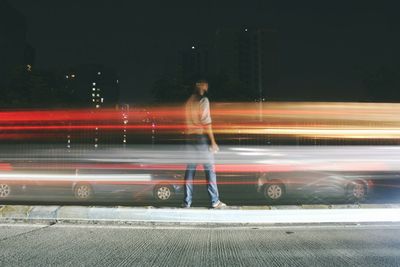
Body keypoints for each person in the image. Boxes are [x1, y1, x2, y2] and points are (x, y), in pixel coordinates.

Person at [182, 79, 227, 209]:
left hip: (190, 138)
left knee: (190, 171)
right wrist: (213, 142)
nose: (207, 86)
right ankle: (215, 201)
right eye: (205, 83)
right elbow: (206, 122)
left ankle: (186, 202)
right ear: (200, 85)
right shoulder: (203, 100)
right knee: (210, 170)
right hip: (201, 138)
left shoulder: (188, 101)